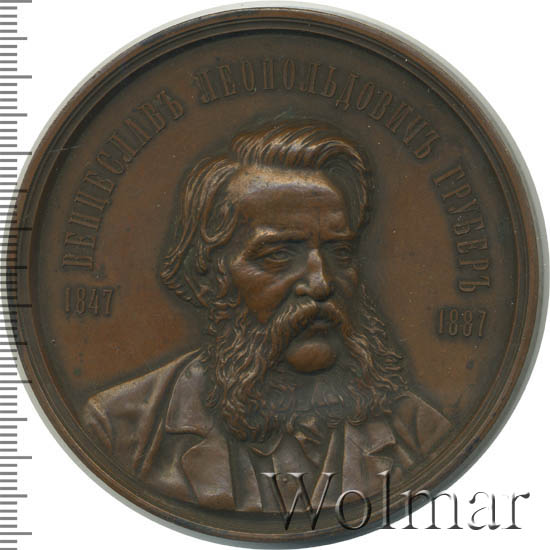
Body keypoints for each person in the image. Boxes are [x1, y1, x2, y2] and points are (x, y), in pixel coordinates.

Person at [82, 120, 450, 512]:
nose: (321, 283)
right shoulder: (125, 431)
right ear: (208, 278)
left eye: (339, 252)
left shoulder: (421, 435)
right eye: (278, 255)